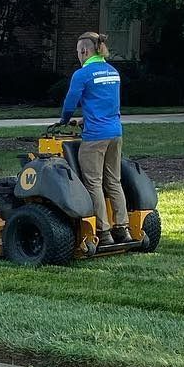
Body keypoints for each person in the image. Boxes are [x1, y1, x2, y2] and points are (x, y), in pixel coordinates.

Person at [59, 30, 129, 249]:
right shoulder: (113, 72)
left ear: (84, 51)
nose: (78, 56)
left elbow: (70, 103)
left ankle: (103, 231)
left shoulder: (83, 74)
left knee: (93, 182)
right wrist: (84, 119)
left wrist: (65, 119)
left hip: (95, 138)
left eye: (78, 52)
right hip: (115, 133)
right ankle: (123, 228)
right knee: (114, 181)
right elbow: (105, 104)